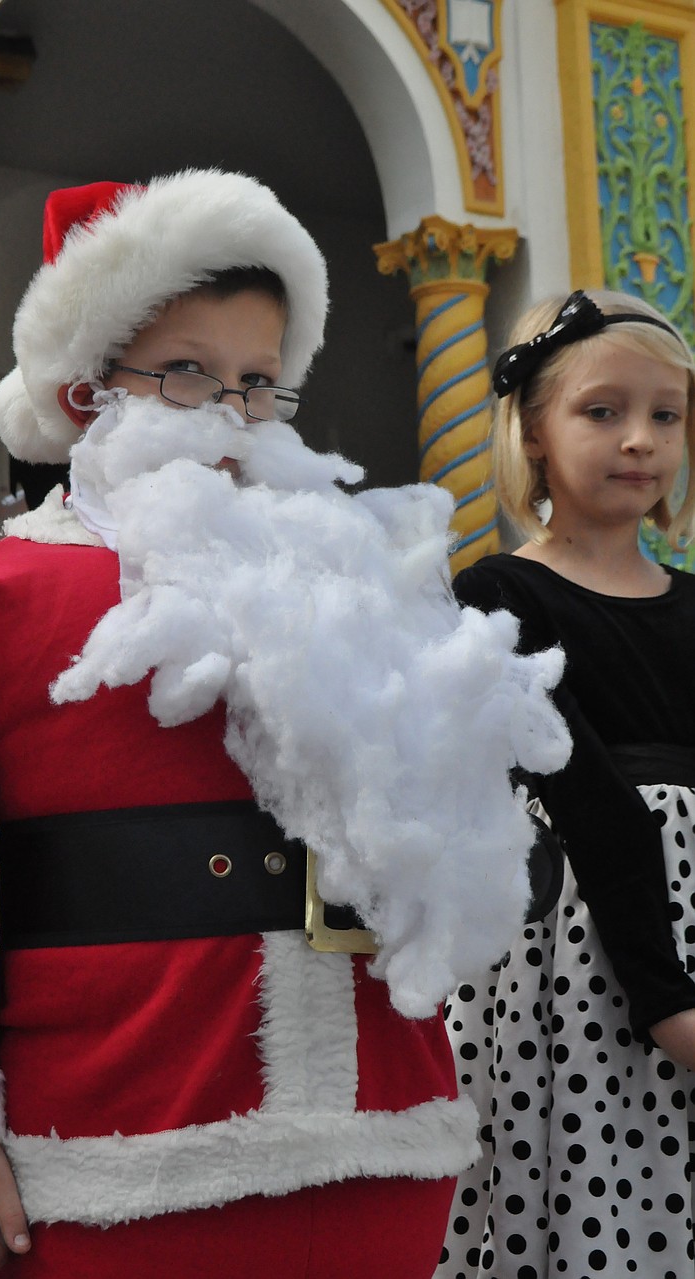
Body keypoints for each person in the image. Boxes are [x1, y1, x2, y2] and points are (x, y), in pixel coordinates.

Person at [0, 171, 568, 1279]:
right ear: (90, 386)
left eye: (260, 381)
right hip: (114, 1144)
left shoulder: (353, 590)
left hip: (381, 1135)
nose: (231, 411)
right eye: (186, 371)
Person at [438, 289, 695, 1279]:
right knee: (600, 1200)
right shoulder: (495, 597)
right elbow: (586, 799)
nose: (638, 440)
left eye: (664, 415)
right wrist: (666, 999)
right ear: (534, 431)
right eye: (601, 411)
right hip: (581, 953)